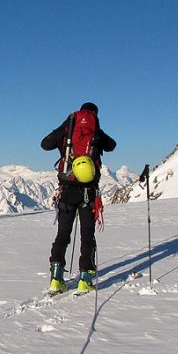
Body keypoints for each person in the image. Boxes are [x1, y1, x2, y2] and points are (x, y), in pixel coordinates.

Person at [41, 102, 116, 294]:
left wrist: (65, 129)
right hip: (89, 193)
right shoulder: (96, 133)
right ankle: (85, 279)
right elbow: (112, 146)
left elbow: (45, 144)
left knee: (62, 235)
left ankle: (56, 278)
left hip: (66, 191)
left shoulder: (67, 129)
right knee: (87, 236)